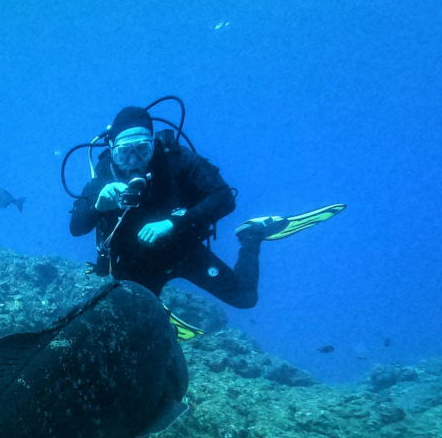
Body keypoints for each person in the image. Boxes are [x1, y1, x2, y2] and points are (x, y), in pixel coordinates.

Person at [70, 106, 286, 307]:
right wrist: (97, 207)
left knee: (245, 298)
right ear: (111, 148)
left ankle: (251, 235)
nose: (134, 160)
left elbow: (224, 198)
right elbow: (76, 227)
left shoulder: (177, 161)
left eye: (142, 149)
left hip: (184, 249)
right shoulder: (102, 180)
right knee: (128, 318)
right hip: (136, 262)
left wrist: (173, 223)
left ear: (153, 144)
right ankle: (158, 313)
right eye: (124, 153)